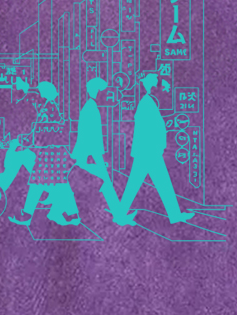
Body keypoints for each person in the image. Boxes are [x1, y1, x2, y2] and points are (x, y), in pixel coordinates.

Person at [120, 73, 195, 223]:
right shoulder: (146, 103)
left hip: (147, 151)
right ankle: (174, 215)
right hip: (148, 151)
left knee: (145, 184)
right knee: (155, 183)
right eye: (155, 83)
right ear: (150, 86)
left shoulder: (148, 102)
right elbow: (149, 130)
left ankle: (121, 215)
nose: (158, 86)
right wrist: (158, 145)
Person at [8, 80, 80, 226]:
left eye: (39, 93)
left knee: (46, 184)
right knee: (50, 184)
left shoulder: (48, 110)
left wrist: (22, 142)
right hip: (54, 152)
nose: (38, 95)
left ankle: (28, 216)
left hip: (50, 153)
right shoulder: (51, 107)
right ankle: (72, 215)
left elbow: (41, 133)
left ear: (44, 94)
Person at [71, 76, 137, 226]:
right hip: (92, 150)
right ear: (95, 91)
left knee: (104, 180)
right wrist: (88, 157)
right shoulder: (90, 107)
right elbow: (86, 134)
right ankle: (119, 215)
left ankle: (119, 214)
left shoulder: (90, 106)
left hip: (92, 150)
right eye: (101, 90)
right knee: (103, 179)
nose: (104, 94)